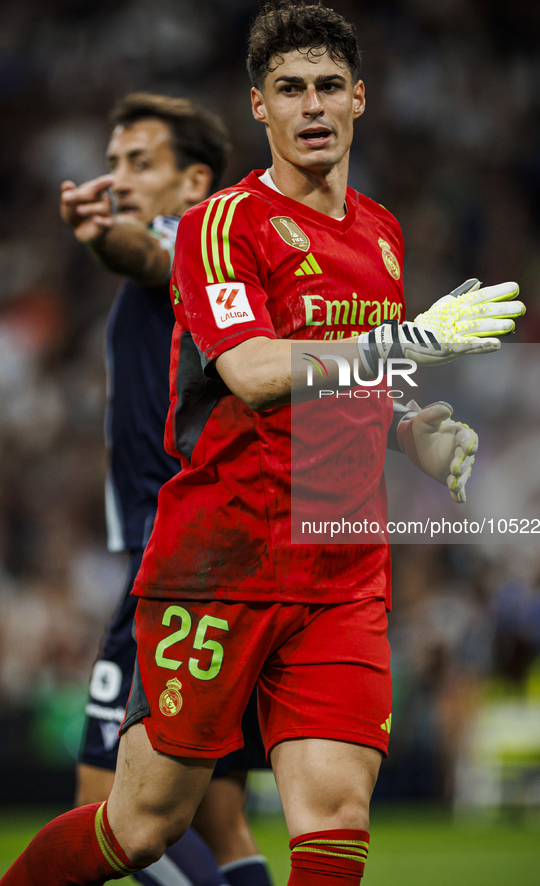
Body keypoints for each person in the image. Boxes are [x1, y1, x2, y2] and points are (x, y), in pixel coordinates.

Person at [2, 5, 525, 886]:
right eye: (290, 89)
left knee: (334, 813)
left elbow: (346, 383)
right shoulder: (223, 224)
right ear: (259, 106)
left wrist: (409, 437)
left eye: (328, 87)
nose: (311, 106)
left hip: (340, 570)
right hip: (220, 563)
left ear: (359, 99)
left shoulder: (382, 234)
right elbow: (248, 370)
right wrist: (411, 340)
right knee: (144, 826)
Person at [58, 93, 272, 886]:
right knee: (218, 820)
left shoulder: (187, 246)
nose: (117, 177)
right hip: (231, 557)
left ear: (194, 184)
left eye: (138, 164)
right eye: (112, 161)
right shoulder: (223, 265)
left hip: (174, 556)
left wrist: (101, 236)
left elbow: (137, 253)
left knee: (109, 802)